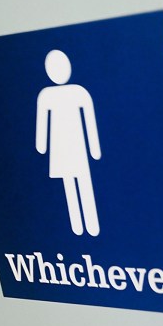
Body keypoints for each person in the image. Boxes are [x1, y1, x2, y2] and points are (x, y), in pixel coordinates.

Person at [35, 49, 101, 236]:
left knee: (83, 182)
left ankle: (92, 224)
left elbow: (89, 121)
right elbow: (42, 123)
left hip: (78, 147)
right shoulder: (46, 96)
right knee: (69, 185)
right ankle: (77, 226)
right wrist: (41, 145)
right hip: (60, 149)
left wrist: (94, 148)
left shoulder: (79, 92)